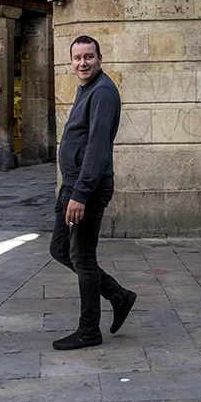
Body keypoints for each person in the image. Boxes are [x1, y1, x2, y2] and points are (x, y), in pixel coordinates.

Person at [50, 35, 137, 351]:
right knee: (60, 249)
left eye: (89, 57)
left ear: (100, 58)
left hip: (87, 189)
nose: (82, 63)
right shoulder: (86, 87)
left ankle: (89, 331)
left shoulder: (102, 92)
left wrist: (81, 194)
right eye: (77, 58)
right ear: (71, 60)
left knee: (83, 257)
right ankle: (117, 294)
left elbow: (97, 147)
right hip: (72, 185)